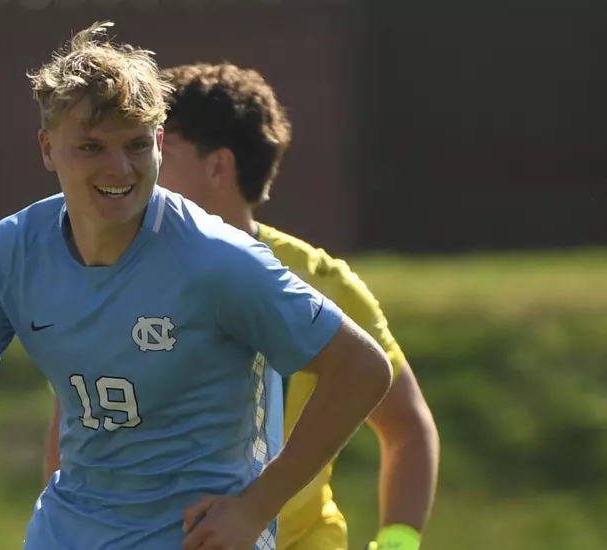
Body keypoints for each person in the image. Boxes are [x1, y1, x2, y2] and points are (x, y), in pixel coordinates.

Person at [0, 23, 393, 550]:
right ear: (47, 148)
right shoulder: (13, 251)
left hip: (197, 538)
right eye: (91, 147)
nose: (120, 168)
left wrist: (256, 506)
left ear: (159, 141)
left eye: (136, 145)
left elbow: (363, 369)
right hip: (69, 532)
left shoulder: (216, 259)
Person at [44, 62, 438, 550]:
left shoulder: (321, 282)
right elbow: (71, 440)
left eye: (157, 147)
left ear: (218, 167)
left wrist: (397, 544)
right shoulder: (122, 270)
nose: (133, 167)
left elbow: (406, 427)